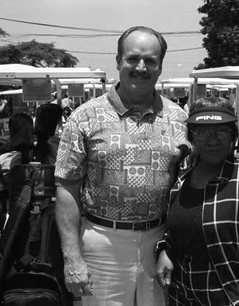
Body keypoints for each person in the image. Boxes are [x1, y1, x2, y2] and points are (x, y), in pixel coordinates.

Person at [54, 26, 188, 305]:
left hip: (159, 245)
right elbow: (66, 187)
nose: (141, 67)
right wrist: (72, 257)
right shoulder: (85, 117)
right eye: (132, 58)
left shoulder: (178, 117)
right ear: (118, 61)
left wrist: (174, 246)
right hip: (103, 244)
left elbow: (184, 185)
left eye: (150, 60)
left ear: (160, 66)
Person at [155, 96, 239, 305]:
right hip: (183, 297)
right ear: (191, 136)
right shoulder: (181, 179)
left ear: (234, 135)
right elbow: (175, 233)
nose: (213, 139)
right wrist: (165, 250)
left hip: (232, 298)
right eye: (203, 131)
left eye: (222, 130)